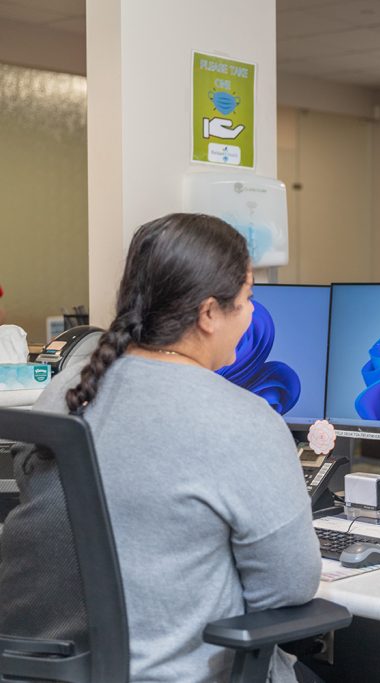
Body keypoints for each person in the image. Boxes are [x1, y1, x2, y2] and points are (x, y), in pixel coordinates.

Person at [0, 214, 322, 683]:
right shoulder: (245, 419)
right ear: (209, 313)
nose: (252, 313)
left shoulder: (66, 389)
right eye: (248, 299)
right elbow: (289, 588)